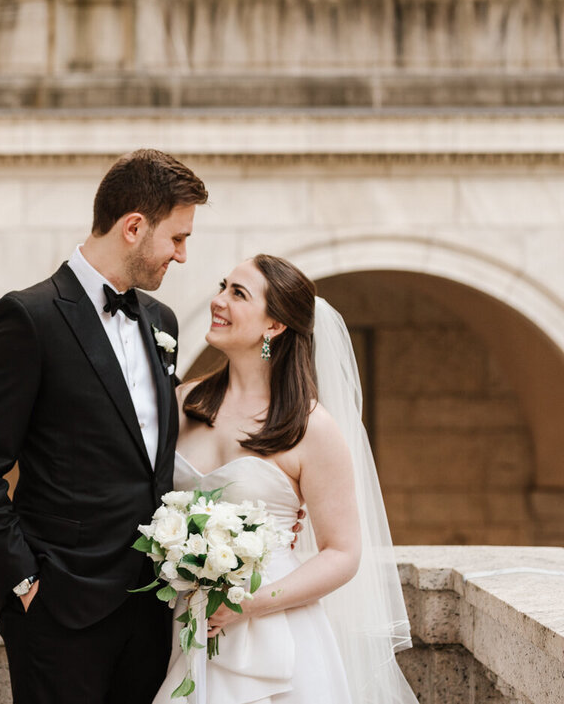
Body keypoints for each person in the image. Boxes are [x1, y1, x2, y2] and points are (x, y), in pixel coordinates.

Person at [0, 149, 208, 704]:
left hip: (153, 607)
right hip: (58, 611)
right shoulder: (29, 317)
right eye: (178, 238)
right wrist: (22, 582)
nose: (183, 256)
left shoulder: (160, 322)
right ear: (134, 227)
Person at [156, 255, 417, 704]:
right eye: (223, 286)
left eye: (238, 294)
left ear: (274, 326)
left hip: (273, 626)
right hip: (180, 620)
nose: (218, 301)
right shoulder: (182, 402)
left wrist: (246, 604)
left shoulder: (311, 428)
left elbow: (343, 553)